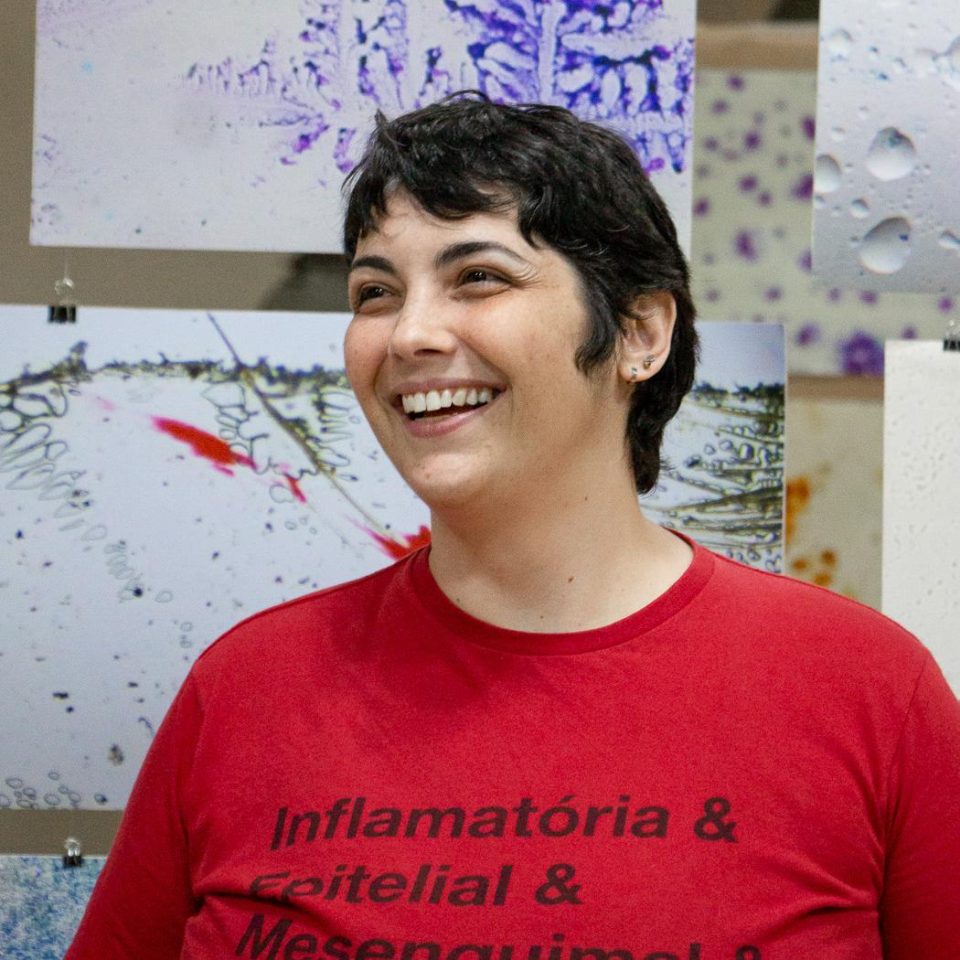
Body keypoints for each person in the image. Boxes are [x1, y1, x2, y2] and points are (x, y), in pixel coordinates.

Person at [66, 94, 960, 960]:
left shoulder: (868, 692)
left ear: (639, 332)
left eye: (479, 277)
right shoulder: (245, 692)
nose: (409, 334)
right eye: (375, 292)